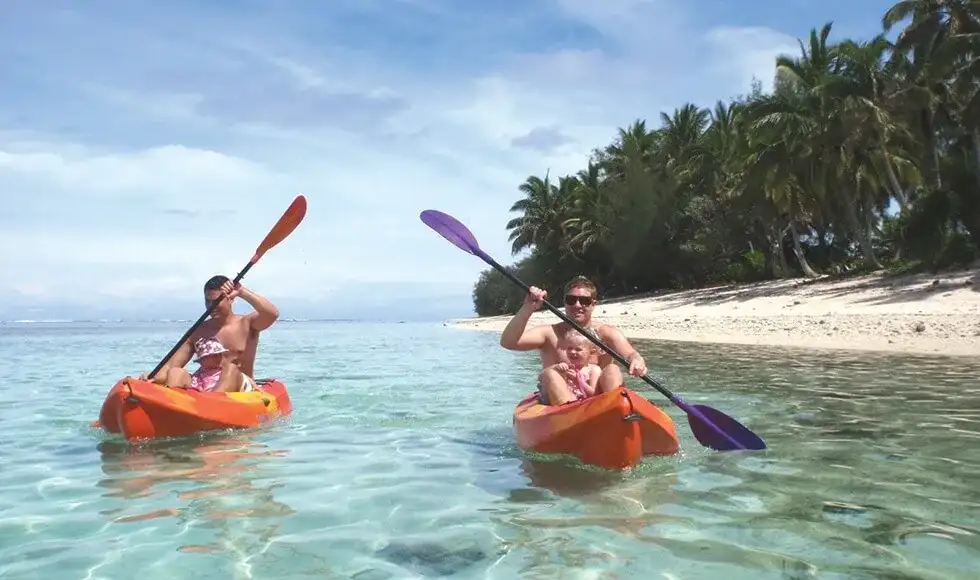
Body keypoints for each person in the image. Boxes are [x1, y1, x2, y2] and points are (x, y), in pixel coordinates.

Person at [499, 275, 648, 405]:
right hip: (558, 405)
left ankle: (615, 410)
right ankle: (569, 414)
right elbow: (508, 342)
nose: (577, 305)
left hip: (599, 399)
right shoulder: (549, 333)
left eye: (584, 301)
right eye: (571, 300)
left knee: (613, 370)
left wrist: (636, 360)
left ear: (593, 304)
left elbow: (630, 354)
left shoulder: (606, 333)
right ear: (564, 302)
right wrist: (527, 308)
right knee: (549, 374)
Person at [144, 275, 280, 393]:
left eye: (216, 301)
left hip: (240, 390)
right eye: (207, 301)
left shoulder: (247, 323)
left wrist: (242, 292)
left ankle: (209, 405)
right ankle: (171, 409)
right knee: (176, 372)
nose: (211, 306)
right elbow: (171, 365)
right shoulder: (198, 331)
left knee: (230, 369)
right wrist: (149, 377)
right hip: (205, 385)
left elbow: (272, 314)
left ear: (230, 299)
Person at [545, 327, 602, 402]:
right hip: (567, 402)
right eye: (569, 348)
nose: (572, 352)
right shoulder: (567, 367)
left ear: (591, 352)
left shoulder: (594, 370)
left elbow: (594, 394)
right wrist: (559, 370)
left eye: (578, 349)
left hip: (585, 404)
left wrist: (577, 380)